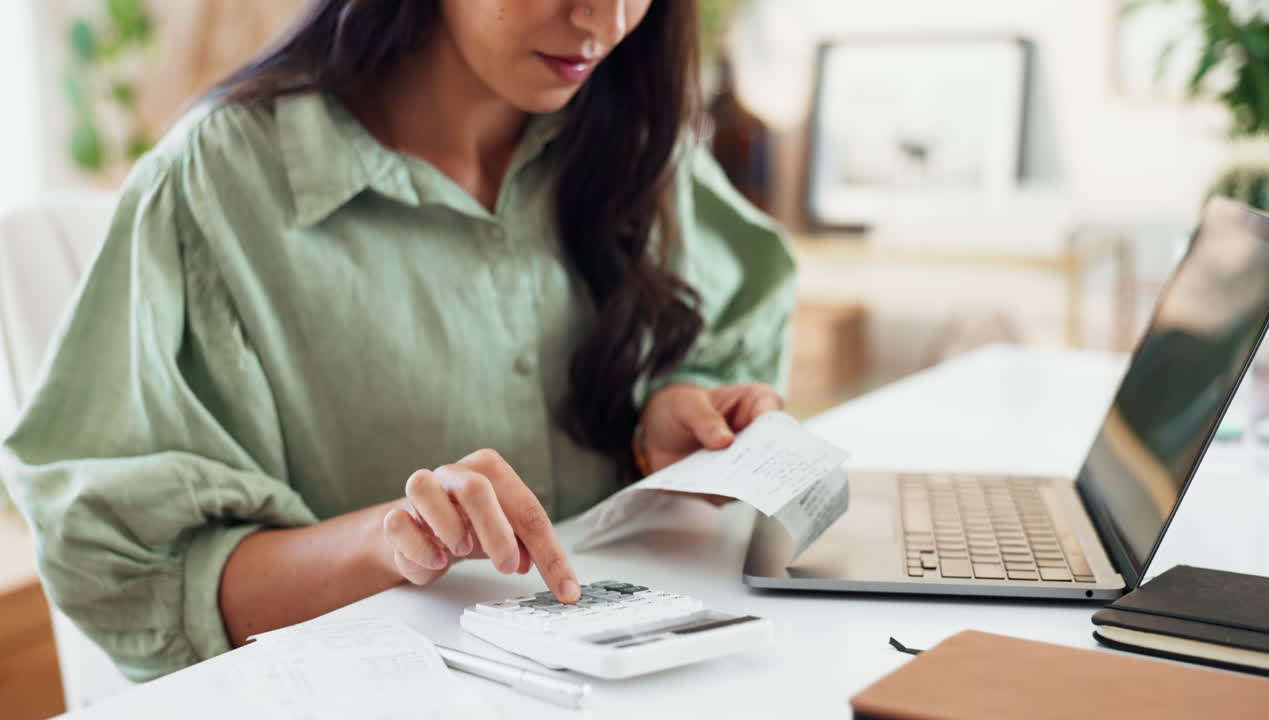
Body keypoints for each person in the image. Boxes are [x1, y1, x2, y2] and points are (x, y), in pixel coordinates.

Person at [1, 0, 794, 681]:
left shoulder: (638, 142)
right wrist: (391, 542)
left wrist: (667, 418)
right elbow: (140, 578)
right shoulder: (215, 188)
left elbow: (728, 335)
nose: (604, 20)